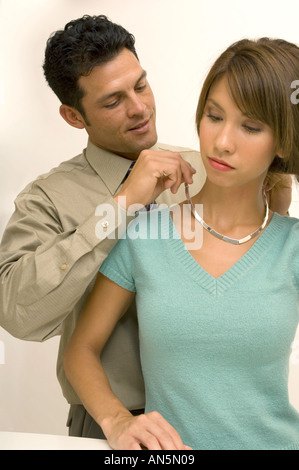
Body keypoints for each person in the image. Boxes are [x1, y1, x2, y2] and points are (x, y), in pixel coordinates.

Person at [0, 15, 290, 438]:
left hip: (224, 417)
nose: (139, 108)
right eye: (112, 101)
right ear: (73, 116)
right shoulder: (47, 199)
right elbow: (16, 312)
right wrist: (121, 207)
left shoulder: (211, 164)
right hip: (110, 421)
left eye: (140, 85)